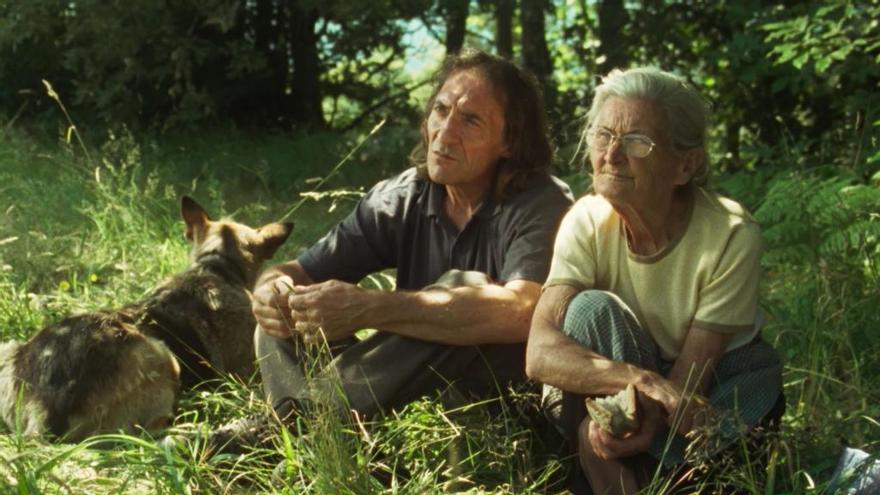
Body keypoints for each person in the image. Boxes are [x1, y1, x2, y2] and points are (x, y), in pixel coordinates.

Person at [209, 49, 573, 452]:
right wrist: (269, 291)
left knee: (461, 287)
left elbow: (524, 311)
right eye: (441, 109)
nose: (445, 133)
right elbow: (295, 271)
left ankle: (292, 427)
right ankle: (327, 439)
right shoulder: (402, 197)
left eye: (470, 120)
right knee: (282, 318)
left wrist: (371, 308)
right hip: (399, 395)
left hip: (491, 405)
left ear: (509, 141)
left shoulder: (542, 203)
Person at [525, 67, 784, 494]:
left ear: (686, 165)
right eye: (602, 135)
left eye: (636, 142)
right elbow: (539, 353)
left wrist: (645, 420)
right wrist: (640, 384)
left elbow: (686, 390)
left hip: (710, 382)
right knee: (591, 310)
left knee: (754, 382)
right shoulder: (586, 220)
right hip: (627, 383)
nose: (611, 155)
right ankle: (644, 469)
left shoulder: (731, 234)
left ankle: (629, 467)